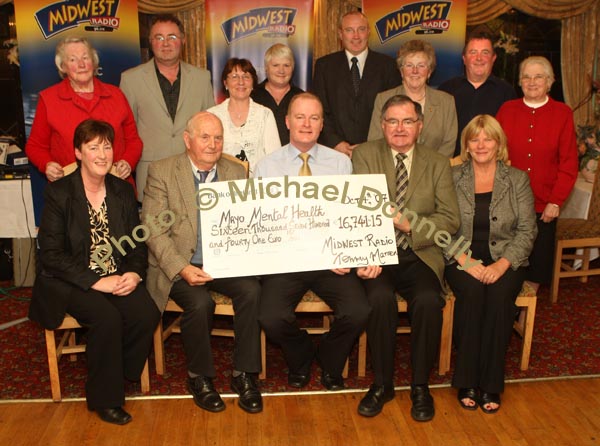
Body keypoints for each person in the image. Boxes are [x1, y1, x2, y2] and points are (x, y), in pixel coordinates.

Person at [28, 119, 160, 425]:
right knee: (107, 318)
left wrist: (135, 274)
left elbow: (137, 243)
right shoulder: (60, 193)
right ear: (78, 152)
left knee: (147, 313)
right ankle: (105, 398)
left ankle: (120, 370)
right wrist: (97, 281)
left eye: (107, 146)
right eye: (93, 147)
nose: (102, 154)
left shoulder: (122, 191)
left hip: (116, 274)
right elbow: (51, 256)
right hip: (69, 279)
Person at [142, 111, 263, 414]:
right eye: (205, 137)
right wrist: (182, 267)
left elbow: (247, 222)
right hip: (180, 264)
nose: (212, 144)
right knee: (200, 304)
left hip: (224, 261)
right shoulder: (162, 171)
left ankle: (244, 375)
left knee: (252, 291)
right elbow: (154, 230)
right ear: (187, 140)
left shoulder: (235, 172)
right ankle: (200, 378)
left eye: (218, 137)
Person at [352, 95, 460, 420]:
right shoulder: (365, 155)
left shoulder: (438, 162)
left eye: (407, 121)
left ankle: (419, 386)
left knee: (428, 301)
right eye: (393, 122)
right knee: (380, 299)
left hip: (421, 254)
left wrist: (411, 224)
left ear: (420, 125)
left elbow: (451, 218)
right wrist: (366, 252)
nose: (400, 128)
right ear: (382, 125)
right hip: (379, 252)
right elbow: (357, 208)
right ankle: (383, 384)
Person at [255, 93, 371, 391]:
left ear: (322, 125)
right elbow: (259, 222)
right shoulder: (266, 166)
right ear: (287, 121)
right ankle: (301, 353)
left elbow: (351, 215)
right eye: (300, 117)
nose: (306, 123)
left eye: (314, 118)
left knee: (359, 310)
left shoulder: (341, 163)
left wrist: (346, 254)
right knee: (270, 315)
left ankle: (330, 361)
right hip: (286, 262)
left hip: (330, 261)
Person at [445, 114, 537, 414]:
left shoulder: (518, 179)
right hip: (462, 257)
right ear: (467, 145)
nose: (481, 144)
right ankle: (468, 380)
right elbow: (441, 225)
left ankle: (492, 383)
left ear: (499, 144)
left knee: (499, 299)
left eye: (488, 138)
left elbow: (527, 230)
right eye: (475, 139)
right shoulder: (452, 176)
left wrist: (502, 265)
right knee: (471, 296)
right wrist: (463, 259)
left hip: (507, 258)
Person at [496, 56, 579, 291]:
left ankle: (525, 320)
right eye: (526, 77)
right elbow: (495, 153)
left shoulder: (563, 113)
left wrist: (556, 200)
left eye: (538, 77)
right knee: (505, 261)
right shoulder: (507, 110)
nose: (532, 82)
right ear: (520, 82)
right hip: (507, 203)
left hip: (544, 207)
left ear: (550, 82)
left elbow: (569, 163)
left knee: (537, 265)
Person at [120, 14, 215, 200]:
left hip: (194, 171)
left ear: (183, 41)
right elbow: (125, 131)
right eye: (159, 37)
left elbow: (209, 127)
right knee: (154, 228)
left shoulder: (202, 78)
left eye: (172, 37)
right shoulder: (130, 79)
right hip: (150, 174)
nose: (165, 43)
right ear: (150, 42)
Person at [26, 37, 142, 188]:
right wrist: (47, 165)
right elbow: (35, 146)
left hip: (116, 188)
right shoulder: (48, 99)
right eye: (73, 60)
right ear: (63, 66)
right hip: (70, 191)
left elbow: (133, 140)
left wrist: (128, 161)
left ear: (94, 62)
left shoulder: (116, 95)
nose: (81, 64)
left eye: (85, 58)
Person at [312, 11, 401, 157]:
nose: (356, 36)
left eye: (361, 29)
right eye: (349, 30)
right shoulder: (324, 66)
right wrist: (336, 143)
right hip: (334, 153)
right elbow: (319, 110)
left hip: (377, 152)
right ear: (340, 34)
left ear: (368, 32)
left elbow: (393, 112)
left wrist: (371, 144)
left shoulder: (388, 66)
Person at [367, 40, 457, 157]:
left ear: (429, 71)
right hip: (392, 171)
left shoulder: (446, 102)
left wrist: (432, 170)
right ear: (401, 71)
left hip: (433, 172)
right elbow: (375, 142)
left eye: (421, 65)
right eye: (409, 65)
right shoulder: (383, 99)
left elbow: (448, 145)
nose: (415, 71)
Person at [439, 31, 516, 157]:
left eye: (485, 53)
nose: (479, 58)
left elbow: (510, 136)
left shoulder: (507, 93)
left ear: (493, 58)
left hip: (493, 166)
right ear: (464, 59)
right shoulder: (446, 90)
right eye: (473, 52)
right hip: (452, 165)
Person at [208, 58, 280, 173]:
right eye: (235, 77)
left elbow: (275, 159)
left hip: (258, 186)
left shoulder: (265, 115)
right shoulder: (211, 116)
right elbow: (205, 157)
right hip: (222, 186)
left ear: (253, 83)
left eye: (246, 77)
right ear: (225, 83)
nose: (241, 82)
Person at [251, 43, 304, 145]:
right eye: (276, 65)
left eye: (286, 65)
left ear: (292, 68)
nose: (281, 71)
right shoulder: (253, 96)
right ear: (266, 68)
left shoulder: (301, 98)